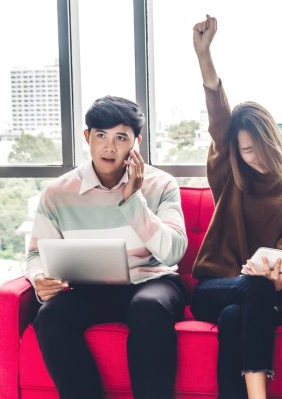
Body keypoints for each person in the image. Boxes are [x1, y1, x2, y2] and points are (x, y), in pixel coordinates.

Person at [26, 96, 188, 399]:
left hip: (152, 282)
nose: (109, 147)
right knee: (50, 315)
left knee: (148, 308)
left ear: (135, 143)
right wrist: (39, 279)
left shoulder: (161, 184)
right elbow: (36, 254)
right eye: (101, 135)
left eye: (121, 138)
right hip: (89, 288)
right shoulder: (58, 192)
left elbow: (174, 251)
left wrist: (133, 200)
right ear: (87, 137)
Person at [189, 15, 282, 399]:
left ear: (273, 142)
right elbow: (219, 121)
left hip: (269, 295)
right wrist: (204, 56)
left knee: (235, 316)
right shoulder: (230, 177)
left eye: (259, 149)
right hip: (214, 286)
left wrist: (279, 275)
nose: (254, 159)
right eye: (244, 151)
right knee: (240, 296)